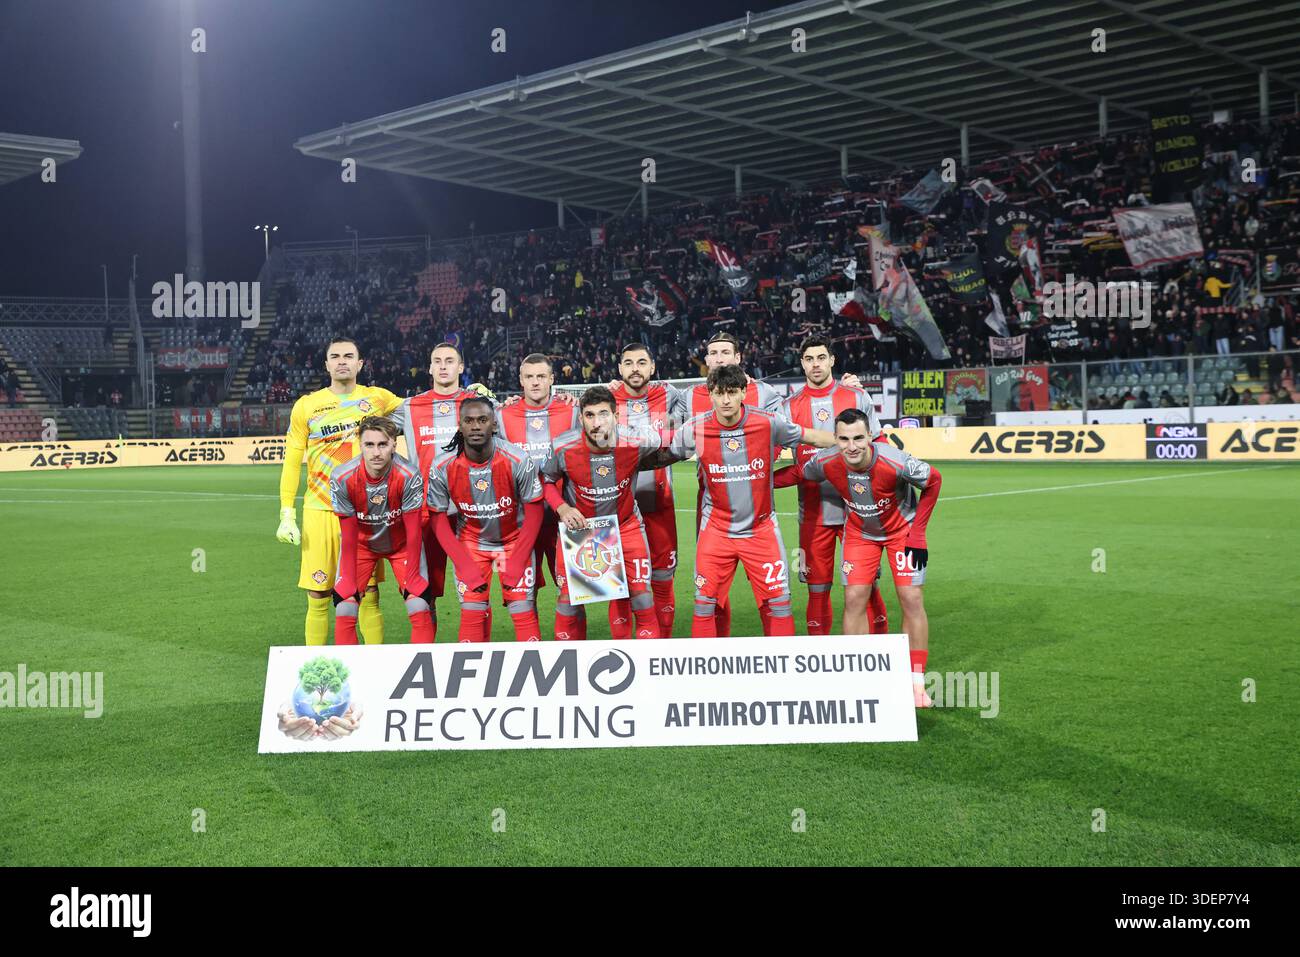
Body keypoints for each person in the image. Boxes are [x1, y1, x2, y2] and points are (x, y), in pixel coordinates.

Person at [649, 364, 835, 638]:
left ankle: (783, 673)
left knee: (779, 605)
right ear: (710, 394)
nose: (725, 400)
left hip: (761, 531)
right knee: (704, 606)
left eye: (732, 393)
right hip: (716, 532)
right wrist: (624, 465)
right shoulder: (696, 428)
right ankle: (706, 677)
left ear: (744, 392)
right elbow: (665, 455)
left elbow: (811, 435)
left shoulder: (767, 422)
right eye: (719, 393)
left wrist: (851, 443)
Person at [775, 409, 943, 708]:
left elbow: (934, 480)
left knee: (911, 598)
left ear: (870, 437)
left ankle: (916, 684)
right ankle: (859, 676)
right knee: (853, 598)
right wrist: (758, 479)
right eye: (843, 439)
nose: (851, 446)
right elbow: (799, 472)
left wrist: (918, 532)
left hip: (902, 532)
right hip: (860, 533)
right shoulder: (827, 461)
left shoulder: (894, 461)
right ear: (835, 439)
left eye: (858, 438)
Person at [276, 337, 403, 646]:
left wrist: (463, 396)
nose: (342, 361)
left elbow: (424, 408)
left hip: (364, 512)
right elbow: (292, 460)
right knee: (318, 593)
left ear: (360, 364)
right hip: (321, 510)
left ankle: (375, 666)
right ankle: (315, 665)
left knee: (368, 593)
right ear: (327, 364)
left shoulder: (378, 399)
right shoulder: (307, 406)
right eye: (335, 356)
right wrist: (286, 513)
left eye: (349, 356)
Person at [782, 335, 889, 636]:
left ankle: (880, 654)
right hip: (813, 512)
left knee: (866, 586)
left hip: (858, 510)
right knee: (817, 589)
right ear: (802, 363)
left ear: (832, 360)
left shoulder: (856, 397)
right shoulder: (789, 407)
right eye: (809, 359)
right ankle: (822, 662)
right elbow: (766, 448)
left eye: (821, 358)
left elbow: (878, 445)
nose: (815, 365)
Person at [540, 386, 665, 641]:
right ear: (581, 418)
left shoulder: (638, 440)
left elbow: (670, 440)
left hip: (627, 525)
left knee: (642, 595)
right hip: (581, 531)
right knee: (568, 600)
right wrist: (562, 507)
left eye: (603, 414)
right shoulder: (564, 446)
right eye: (589, 415)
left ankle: (643, 667)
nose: (597, 423)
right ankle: (569, 668)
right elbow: (546, 480)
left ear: (616, 416)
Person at [426, 396, 545, 643]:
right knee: (471, 613)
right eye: (469, 420)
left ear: (494, 424)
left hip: (514, 542)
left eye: (482, 420)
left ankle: (536, 678)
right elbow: (437, 518)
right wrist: (463, 563)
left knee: (522, 611)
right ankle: (473, 681)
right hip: (471, 544)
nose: (476, 426)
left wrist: (517, 560)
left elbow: (534, 514)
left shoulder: (518, 460)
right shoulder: (442, 465)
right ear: (459, 425)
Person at [607, 342, 691, 637]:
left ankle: (662, 648)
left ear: (652, 367)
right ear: (619, 369)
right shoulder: (607, 399)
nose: (635, 369)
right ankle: (622, 648)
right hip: (616, 508)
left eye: (642, 362)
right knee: (616, 584)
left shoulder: (668, 393)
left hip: (659, 502)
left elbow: (701, 402)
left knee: (662, 579)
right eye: (628, 363)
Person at [329, 416, 433, 644]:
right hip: (361, 545)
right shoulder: (342, 477)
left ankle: (423, 670)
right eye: (369, 445)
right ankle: (351, 674)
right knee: (344, 608)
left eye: (383, 444)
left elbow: (414, 531)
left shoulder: (409, 475)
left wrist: (413, 576)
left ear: (394, 444)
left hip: (401, 544)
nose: (376, 452)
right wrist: (347, 578)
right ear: (360, 445)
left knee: (419, 604)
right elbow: (347, 534)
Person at [495, 353, 580, 607]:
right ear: (521, 380)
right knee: (522, 594)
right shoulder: (502, 414)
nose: (535, 382)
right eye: (529, 377)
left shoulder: (573, 409)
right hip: (520, 520)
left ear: (552, 379)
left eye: (541, 376)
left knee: (574, 591)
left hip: (562, 517)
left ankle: (576, 645)